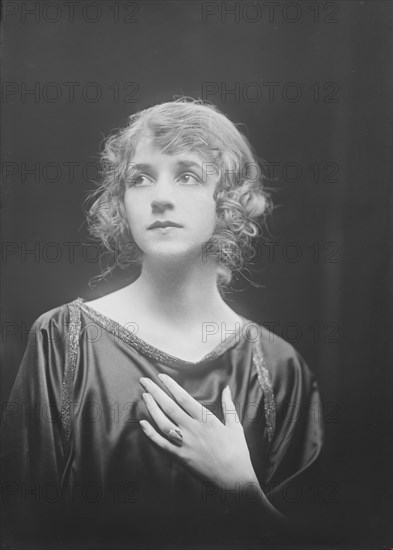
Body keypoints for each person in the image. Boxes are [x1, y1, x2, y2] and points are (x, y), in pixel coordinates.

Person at [1, 99, 324, 549]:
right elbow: (20, 528)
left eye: (188, 175)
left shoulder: (278, 368)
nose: (160, 197)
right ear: (122, 202)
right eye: (140, 178)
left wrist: (243, 491)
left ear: (229, 201)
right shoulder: (62, 339)